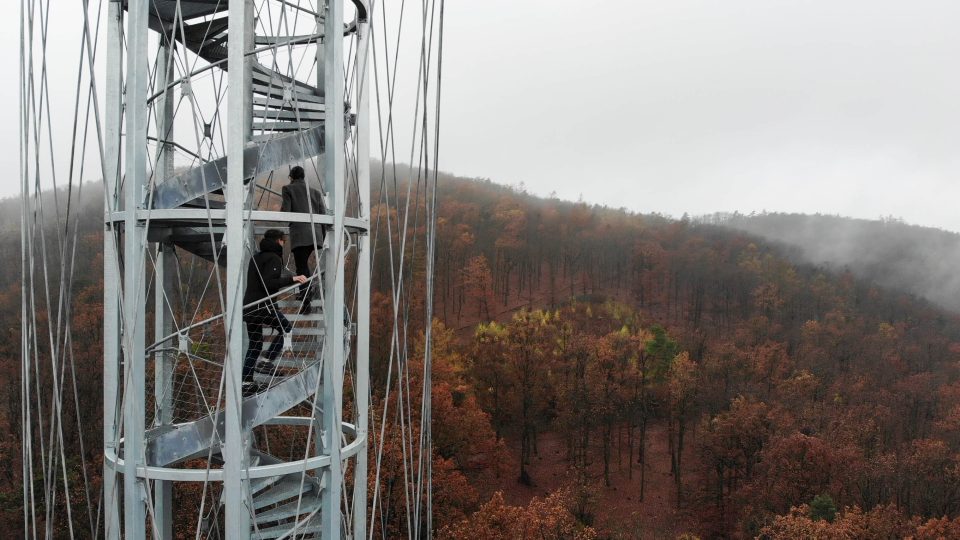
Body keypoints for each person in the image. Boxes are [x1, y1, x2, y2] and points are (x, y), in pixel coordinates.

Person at [242, 229, 307, 390]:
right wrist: (293, 279)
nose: (284, 244)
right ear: (279, 241)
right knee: (286, 328)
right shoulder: (274, 258)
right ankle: (266, 361)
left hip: (250, 307)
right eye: (283, 241)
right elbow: (269, 283)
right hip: (263, 307)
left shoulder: (256, 257)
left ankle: (246, 382)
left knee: (255, 344)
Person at [281, 165, 326, 313]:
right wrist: (323, 236)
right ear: (303, 176)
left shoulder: (288, 189)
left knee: (301, 266)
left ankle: (306, 297)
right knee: (303, 265)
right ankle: (307, 293)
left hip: (300, 234)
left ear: (291, 177)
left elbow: (285, 213)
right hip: (316, 234)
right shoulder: (315, 192)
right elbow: (323, 214)